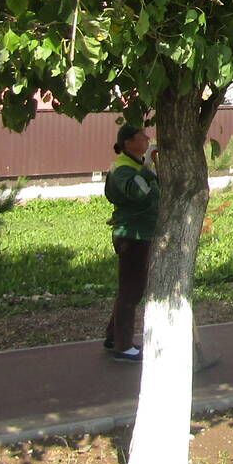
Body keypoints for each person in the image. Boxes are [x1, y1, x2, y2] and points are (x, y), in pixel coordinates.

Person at [104, 122, 157, 362]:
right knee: (131, 291)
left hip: (141, 232)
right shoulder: (123, 168)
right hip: (133, 235)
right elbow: (139, 193)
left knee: (129, 287)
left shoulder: (134, 165)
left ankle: (113, 336)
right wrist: (147, 166)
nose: (147, 138)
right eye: (141, 136)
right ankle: (123, 347)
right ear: (128, 143)